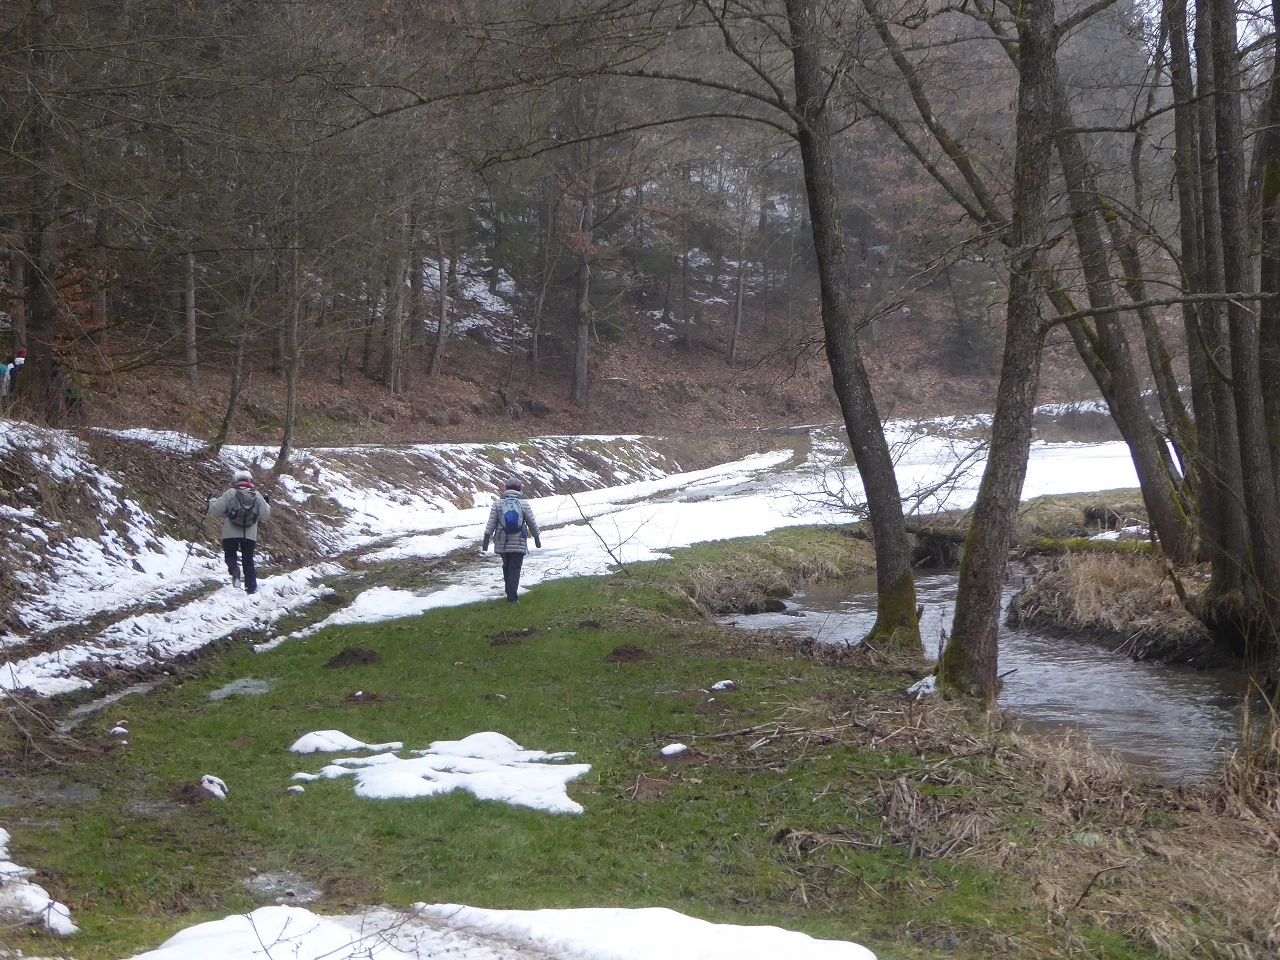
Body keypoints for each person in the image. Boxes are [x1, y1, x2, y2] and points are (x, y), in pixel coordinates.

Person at [207, 469, 271, 595]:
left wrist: (212, 500)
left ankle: (235, 570)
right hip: (250, 534)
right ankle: (251, 588)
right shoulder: (257, 495)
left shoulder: (231, 493)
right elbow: (265, 515)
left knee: (230, 556)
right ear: (249, 481)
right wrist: (266, 503)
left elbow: (216, 510)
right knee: (248, 560)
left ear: (235, 480)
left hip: (230, 533)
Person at [482, 478, 541, 604]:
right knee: (515, 569)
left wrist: (486, 538)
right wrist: (536, 537)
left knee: (507, 566)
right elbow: (531, 522)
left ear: (505, 489)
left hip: (502, 542)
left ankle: (509, 593)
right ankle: (512, 598)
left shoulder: (497, 504)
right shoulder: (524, 504)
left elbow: (491, 523)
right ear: (520, 489)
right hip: (519, 542)